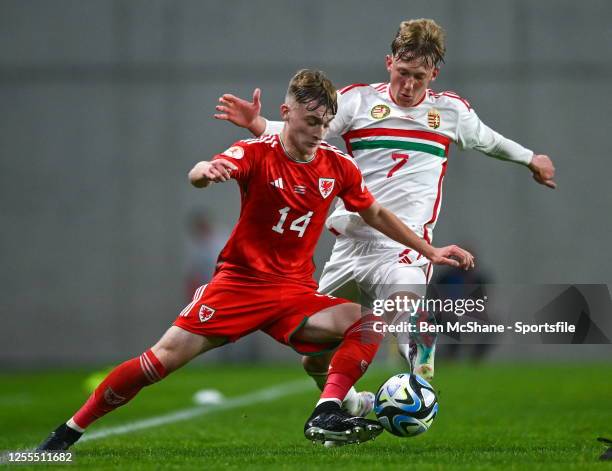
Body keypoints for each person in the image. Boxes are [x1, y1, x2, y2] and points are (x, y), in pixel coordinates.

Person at [37, 69, 474, 451]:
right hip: (239, 285)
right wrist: (204, 173)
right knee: (160, 361)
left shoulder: (337, 165)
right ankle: (66, 434)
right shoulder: (256, 153)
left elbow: (374, 212)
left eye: (325, 123)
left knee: (372, 321)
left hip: (294, 294)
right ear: (287, 113)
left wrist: (428, 250)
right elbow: (203, 168)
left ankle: (327, 411)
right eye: (309, 122)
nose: (318, 132)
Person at [214, 18, 556, 396]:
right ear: (389, 62)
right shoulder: (357, 101)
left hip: (406, 244)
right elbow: (303, 130)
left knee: (403, 307)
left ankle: (419, 379)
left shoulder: (450, 112)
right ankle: (344, 406)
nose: (409, 86)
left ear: (434, 75)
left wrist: (531, 159)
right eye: (404, 73)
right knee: (312, 356)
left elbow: (490, 141)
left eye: (420, 78)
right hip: (351, 241)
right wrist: (258, 123)